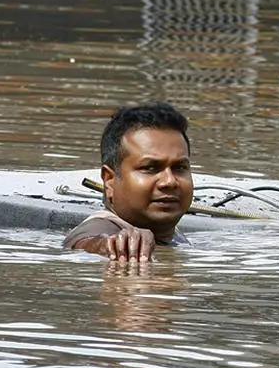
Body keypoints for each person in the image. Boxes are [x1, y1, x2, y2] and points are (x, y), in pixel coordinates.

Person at [62, 103, 195, 261]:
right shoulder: (102, 230)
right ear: (109, 180)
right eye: (150, 168)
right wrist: (112, 245)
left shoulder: (171, 235)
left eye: (179, 167)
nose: (169, 181)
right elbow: (86, 243)